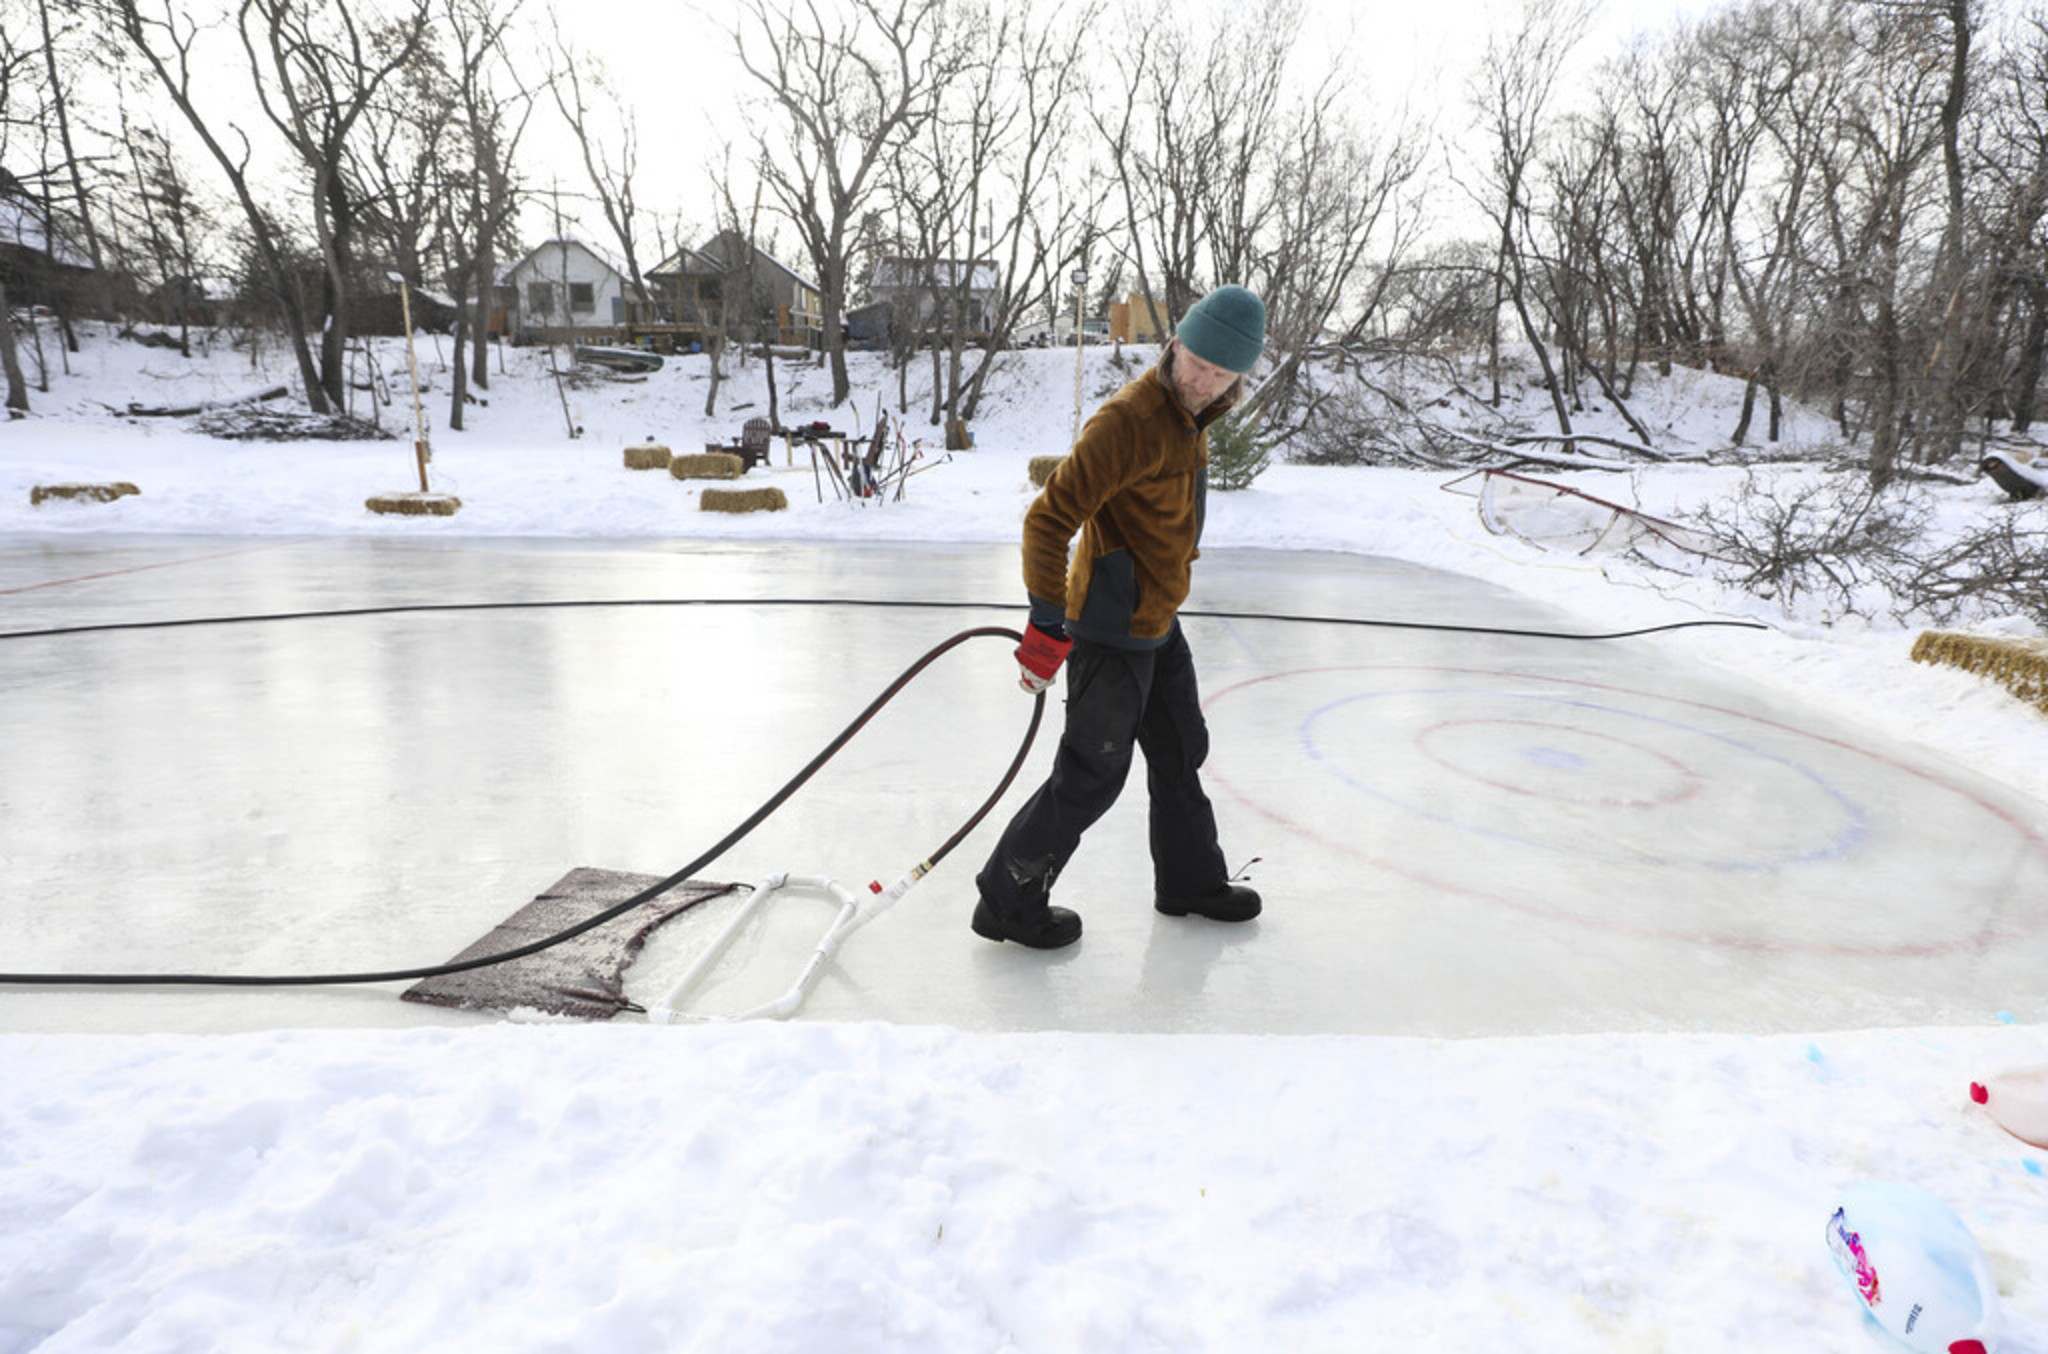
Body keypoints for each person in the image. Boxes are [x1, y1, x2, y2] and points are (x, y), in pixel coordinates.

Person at [971, 284, 1267, 949]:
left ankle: (1189, 881)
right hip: (1110, 628)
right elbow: (1047, 522)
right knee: (1092, 776)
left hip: (1157, 623)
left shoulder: (1191, 415)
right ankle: (1006, 900)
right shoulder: (1128, 421)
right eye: (1198, 363)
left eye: (1223, 373)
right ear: (1175, 345)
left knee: (1180, 751)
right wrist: (1047, 620)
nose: (1205, 381)